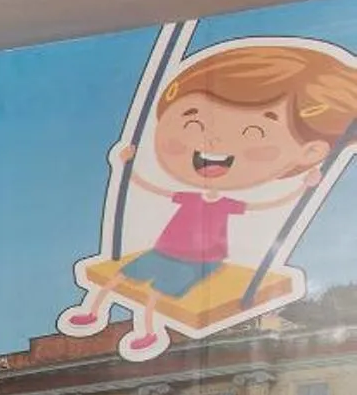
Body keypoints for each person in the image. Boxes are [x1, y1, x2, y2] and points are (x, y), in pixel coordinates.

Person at [64, 42, 357, 360]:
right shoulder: (190, 195)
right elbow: (152, 187)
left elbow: (265, 207)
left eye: (253, 132)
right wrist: (126, 166)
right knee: (119, 277)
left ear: (310, 153)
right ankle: (92, 311)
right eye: (191, 122)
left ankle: (147, 331)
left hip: (196, 259)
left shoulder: (227, 204)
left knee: (154, 296)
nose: (212, 139)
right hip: (164, 249)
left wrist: (304, 184)